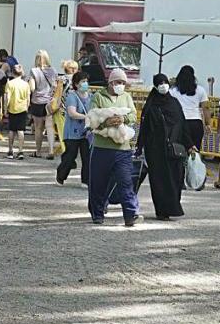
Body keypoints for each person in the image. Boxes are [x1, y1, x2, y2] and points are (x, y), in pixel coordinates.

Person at [138, 73, 199, 220]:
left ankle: (173, 207)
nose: (163, 85)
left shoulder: (174, 103)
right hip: (156, 150)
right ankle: (162, 211)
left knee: (175, 179)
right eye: (160, 83)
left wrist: (190, 144)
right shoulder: (151, 105)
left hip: (175, 148)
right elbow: (144, 127)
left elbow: (182, 125)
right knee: (159, 180)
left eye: (165, 82)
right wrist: (140, 147)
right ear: (155, 85)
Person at [87, 68, 141, 227]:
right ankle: (97, 213)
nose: (121, 85)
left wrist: (123, 118)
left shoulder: (127, 97)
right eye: (118, 82)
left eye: (123, 83)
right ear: (110, 82)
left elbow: (133, 116)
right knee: (98, 183)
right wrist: (105, 123)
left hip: (122, 149)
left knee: (125, 182)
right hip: (101, 148)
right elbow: (91, 118)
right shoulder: (98, 96)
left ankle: (131, 214)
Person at [56, 71, 91, 186]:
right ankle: (61, 175)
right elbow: (72, 113)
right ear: (76, 84)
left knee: (87, 156)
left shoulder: (91, 96)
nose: (86, 84)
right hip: (72, 132)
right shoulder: (72, 96)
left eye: (86, 81)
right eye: (83, 82)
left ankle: (86, 180)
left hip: (86, 132)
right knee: (71, 155)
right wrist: (86, 117)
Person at [169, 65, 209, 155]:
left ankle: (181, 168)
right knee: (195, 151)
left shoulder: (173, 91)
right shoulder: (200, 90)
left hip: (180, 123)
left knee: (179, 150)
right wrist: (208, 123)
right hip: (196, 123)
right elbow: (206, 108)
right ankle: (193, 168)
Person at [28, 50, 58, 160]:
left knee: (38, 128)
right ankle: (51, 150)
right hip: (50, 102)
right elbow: (55, 86)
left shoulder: (33, 71)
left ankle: (38, 151)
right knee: (50, 127)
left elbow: (32, 88)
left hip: (37, 102)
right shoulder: (53, 71)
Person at [4, 65, 31, 159]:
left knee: (11, 130)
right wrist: (27, 107)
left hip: (12, 108)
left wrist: (5, 109)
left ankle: (10, 150)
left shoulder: (10, 84)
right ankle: (20, 150)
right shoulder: (26, 84)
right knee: (21, 130)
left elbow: (7, 98)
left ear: (12, 73)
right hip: (22, 109)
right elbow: (28, 98)